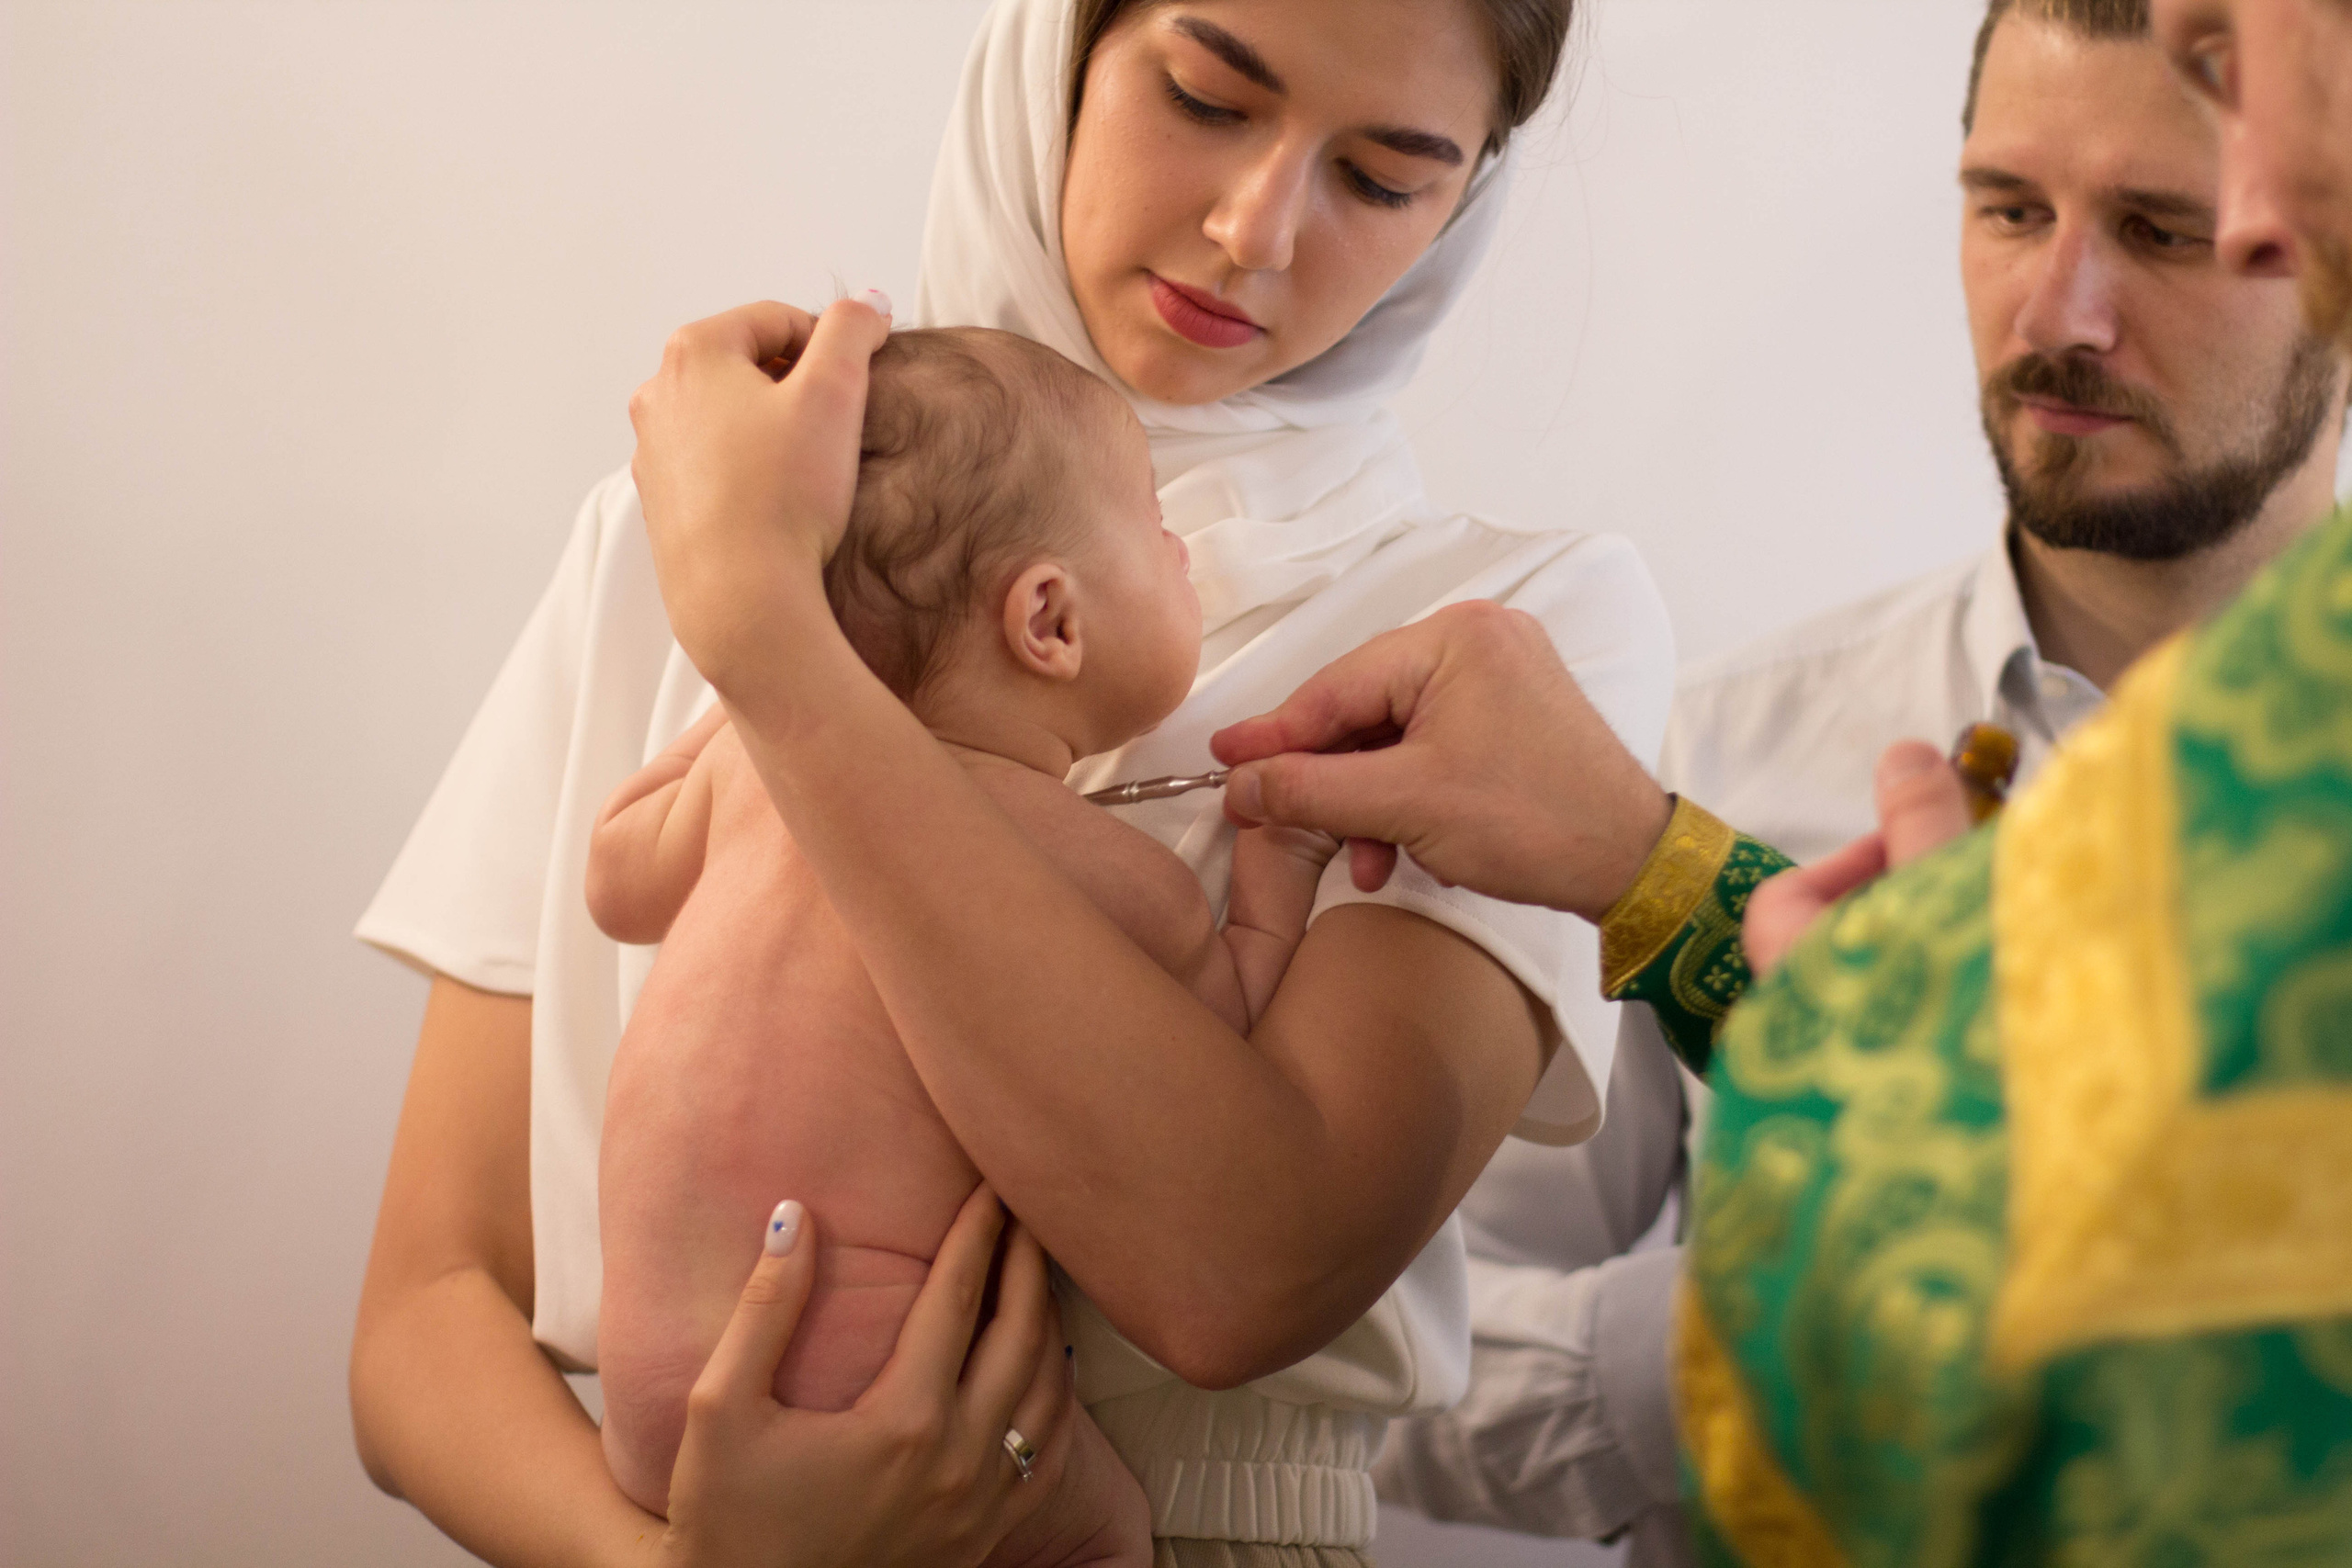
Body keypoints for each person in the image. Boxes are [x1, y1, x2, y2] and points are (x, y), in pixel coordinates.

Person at [352, 1, 1672, 1563]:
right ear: (1058, 46)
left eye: (1381, 180)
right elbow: (425, 1315)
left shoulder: (1498, 641)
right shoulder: (681, 532)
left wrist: (780, 654)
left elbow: (1240, 1270)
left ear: (1467, 207)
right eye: (1200, 95)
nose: (1255, 229)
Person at [1208, 0, 2352, 1555]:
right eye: (2009, 209)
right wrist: (1779, 1311)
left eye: (2163, 230)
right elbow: (1378, 1352)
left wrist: (1866, 1225)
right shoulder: (1701, 744)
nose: (2057, 309)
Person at [594, 327, 1339, 1565]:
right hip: (886, 1393)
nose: (1183, 547)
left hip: (647, 1399)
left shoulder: (748, 761)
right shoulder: (1094, 868)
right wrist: (1280, 864)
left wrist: (747, 692)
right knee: (1114, 1539)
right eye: (1157, 524)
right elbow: (1226, 1047)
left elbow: (616, 883)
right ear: (1048, 620)